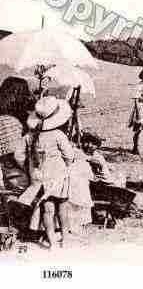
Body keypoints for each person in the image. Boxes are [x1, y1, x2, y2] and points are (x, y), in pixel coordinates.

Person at [14, 96, 75, 248]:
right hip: (58, 176)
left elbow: (18, 156)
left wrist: (27, 168)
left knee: (47, 209)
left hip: (39, 177)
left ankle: (52, 242)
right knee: (62, 206)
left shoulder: (29, 136)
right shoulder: (58, 135)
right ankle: (66, 239)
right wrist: (66, 166)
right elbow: (69, 156)